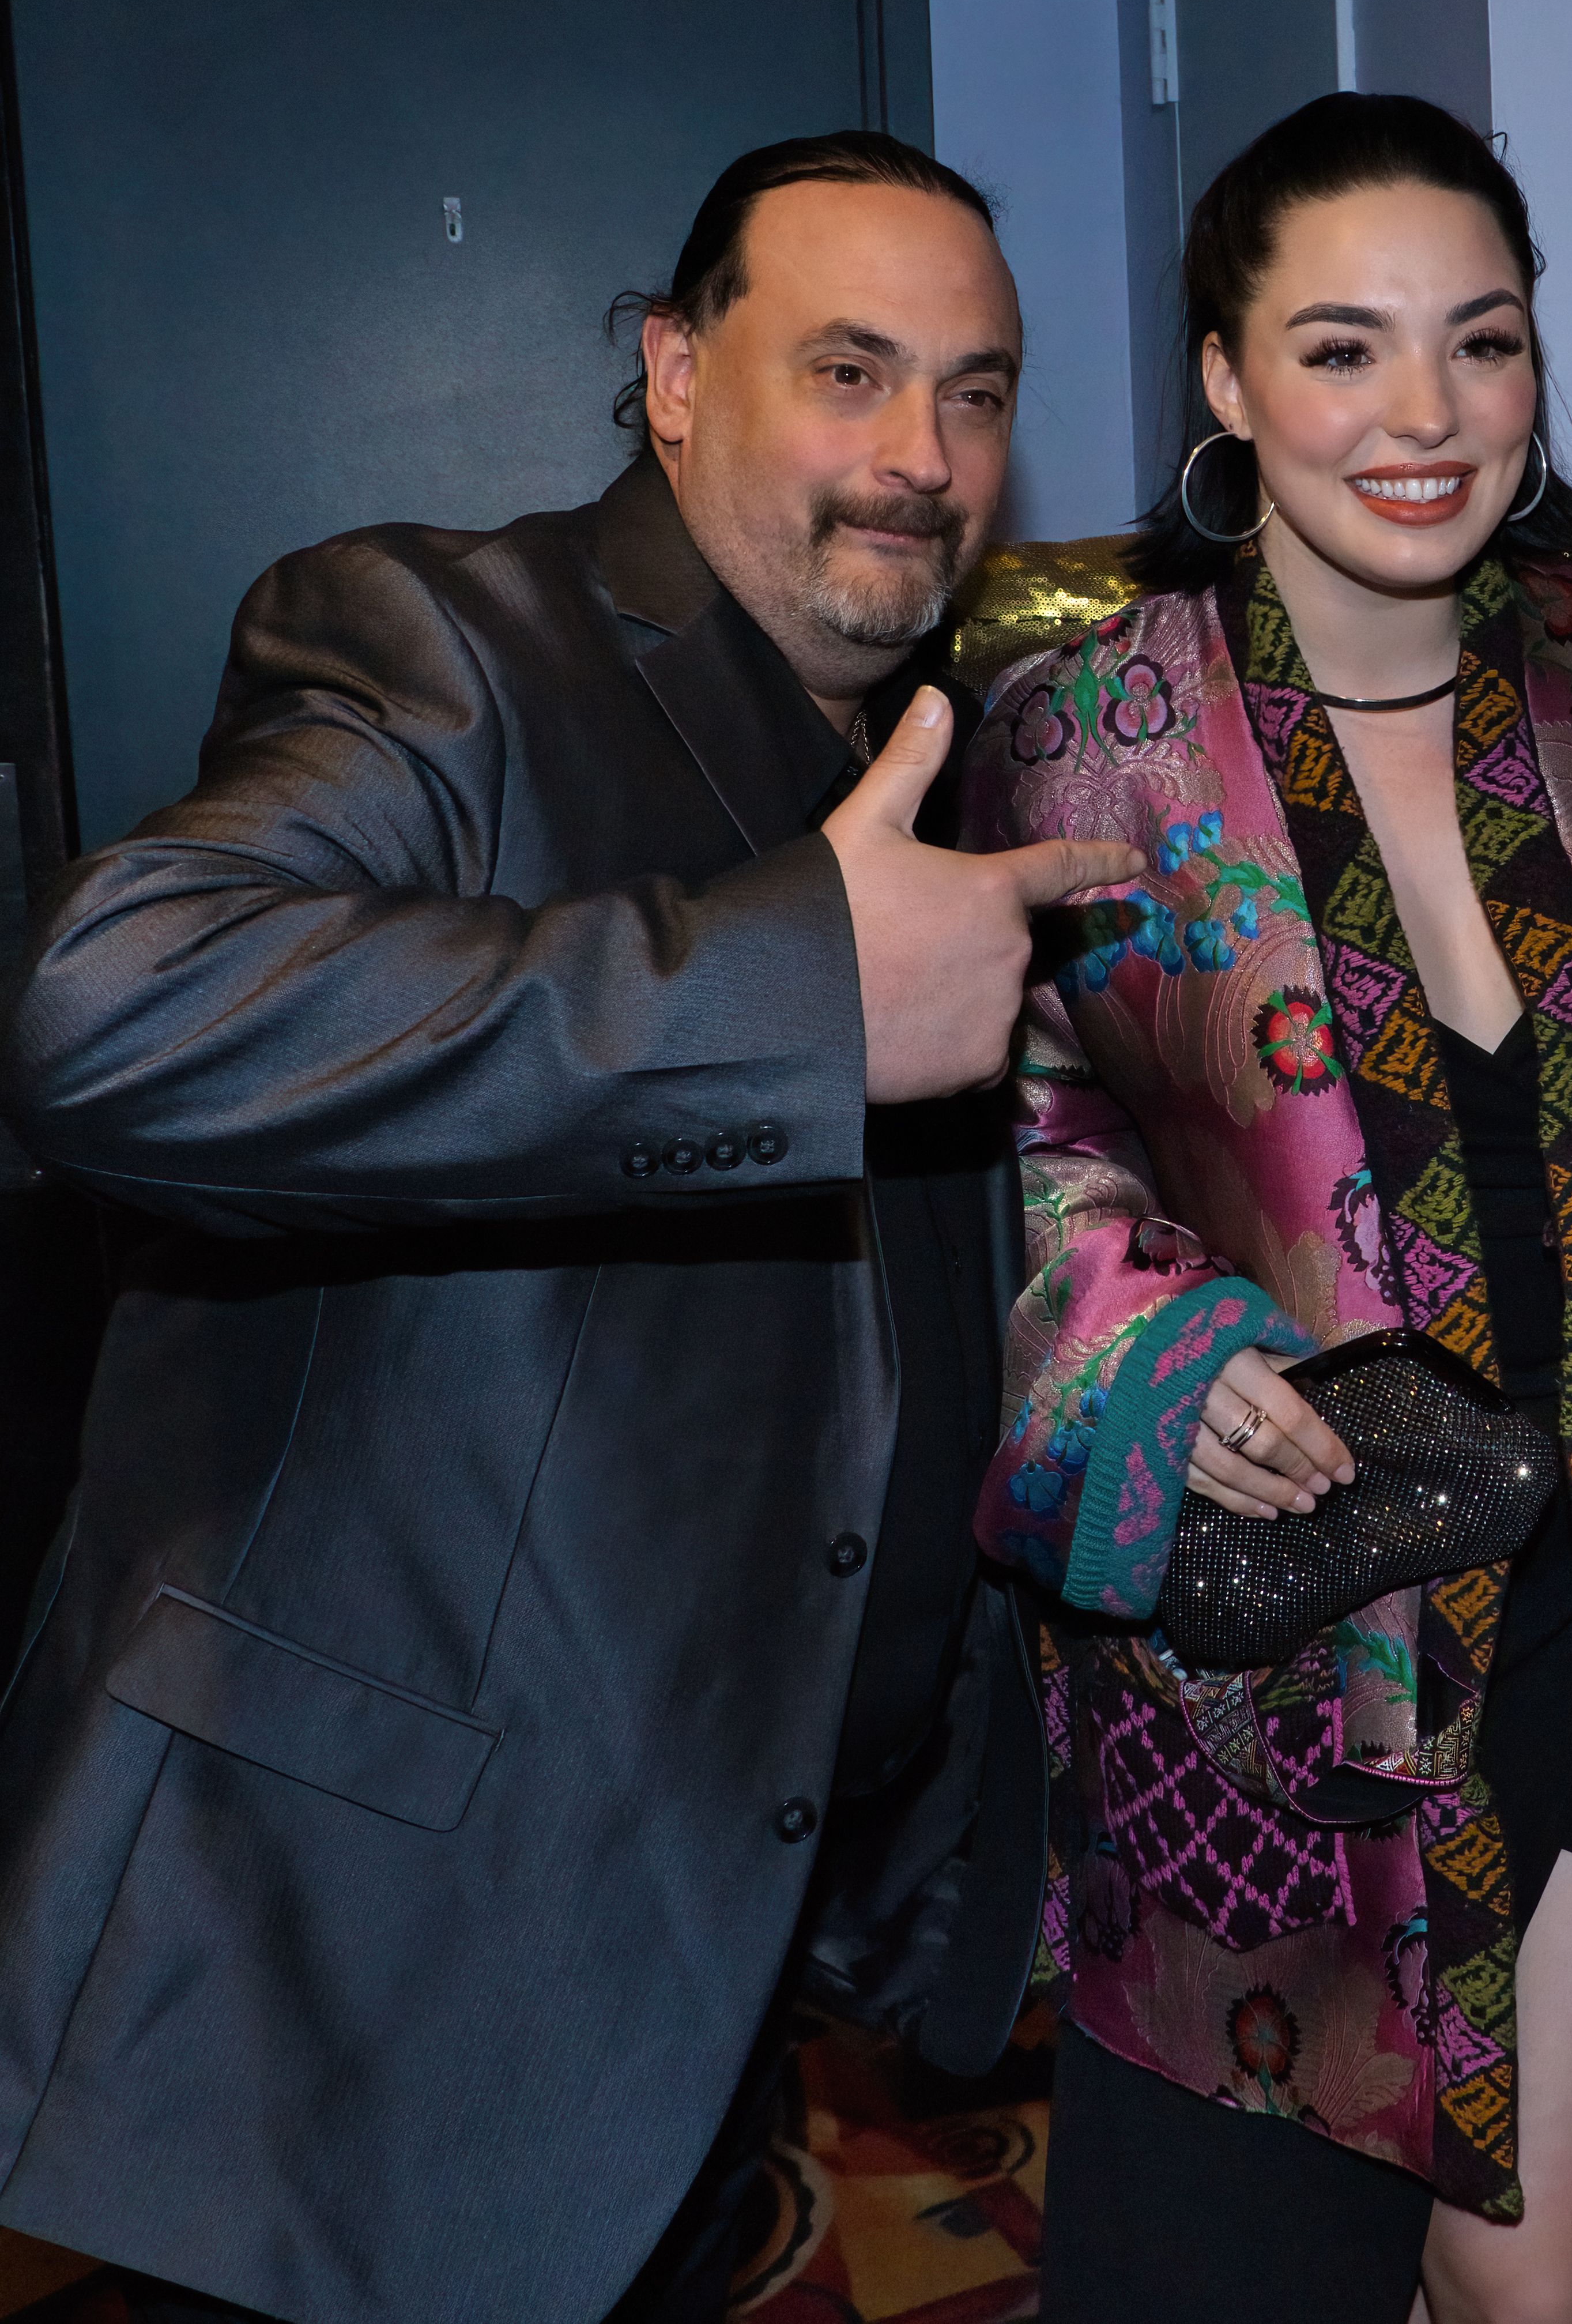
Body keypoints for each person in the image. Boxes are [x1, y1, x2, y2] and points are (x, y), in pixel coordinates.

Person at [0, 132, 1134, 2323]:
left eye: (976, 391)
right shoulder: (447, 644)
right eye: (849, 370)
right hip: (370, 1971)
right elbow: (109, 1011)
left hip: (713, 1946)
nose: (922, 456)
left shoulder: (951, 751)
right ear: (676, 373)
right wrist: (795, 993)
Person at [966, 91, 1572, 2324]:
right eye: (1342, 349)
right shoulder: (1086, 733)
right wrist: (1148, 1342)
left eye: (1482, 340)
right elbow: (1009, 1136)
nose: (1424, 413)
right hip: (1282, 1656)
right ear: (1227, 380)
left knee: (1535, 2282)